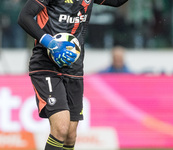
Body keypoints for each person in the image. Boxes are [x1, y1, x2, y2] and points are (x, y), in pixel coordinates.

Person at [18, 0, 128, 150]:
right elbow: (24, 17)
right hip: (46, 65)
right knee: (61, 128)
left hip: (74, 68)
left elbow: (116, 2)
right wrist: (50, 43)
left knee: (70, 135)